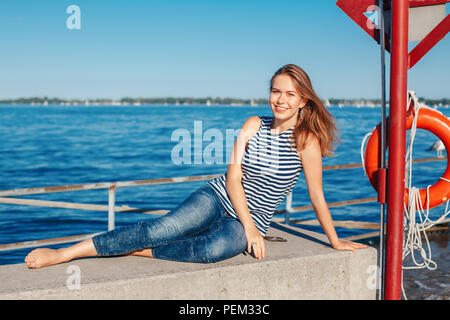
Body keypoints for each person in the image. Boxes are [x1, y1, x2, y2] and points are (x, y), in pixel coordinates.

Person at [24, 64, 366, 269]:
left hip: (251, 220)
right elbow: (234, 179)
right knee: (163, 228)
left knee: (210, 251)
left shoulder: (306, 141)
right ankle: (67, 254)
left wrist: (334, 241)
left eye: (290, 94)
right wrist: (249, 228)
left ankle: (141, 252)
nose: (280, 99)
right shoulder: (252, 125)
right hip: (219, 198)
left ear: (303, 100)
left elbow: (317, 196)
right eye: (276, 91)